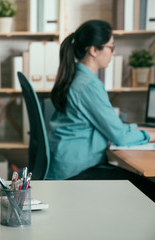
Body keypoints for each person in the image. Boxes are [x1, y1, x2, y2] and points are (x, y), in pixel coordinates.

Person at [48, 20, 155, 199]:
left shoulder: (76, 76)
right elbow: (119, 135)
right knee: (149, 190)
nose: (113, 52)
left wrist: (143, 130)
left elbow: (113, 127)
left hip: (68, 164)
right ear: (93, 50)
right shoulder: (88, 85)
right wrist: (149, 135)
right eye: (111, 47)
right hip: (77, 171)